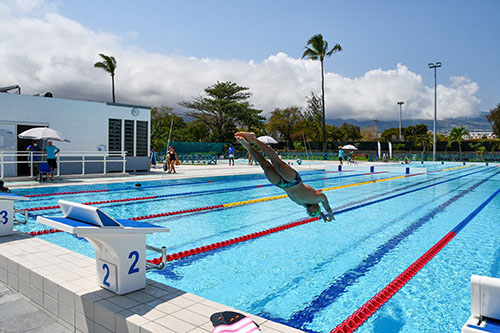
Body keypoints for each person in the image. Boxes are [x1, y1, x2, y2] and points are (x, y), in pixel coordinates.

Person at [235, 132, 334, 222]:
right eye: (312, 212)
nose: (309, 211)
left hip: (281, 185)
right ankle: (254, 140)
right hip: (294, 181)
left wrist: (321, 215)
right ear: (317, 208)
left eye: (309, 213)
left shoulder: (303, 204)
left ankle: (247, 146)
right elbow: (327, 206)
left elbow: (315, 209)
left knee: (265, 166)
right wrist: (329, 214)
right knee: (277, 163)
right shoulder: (319, 198)